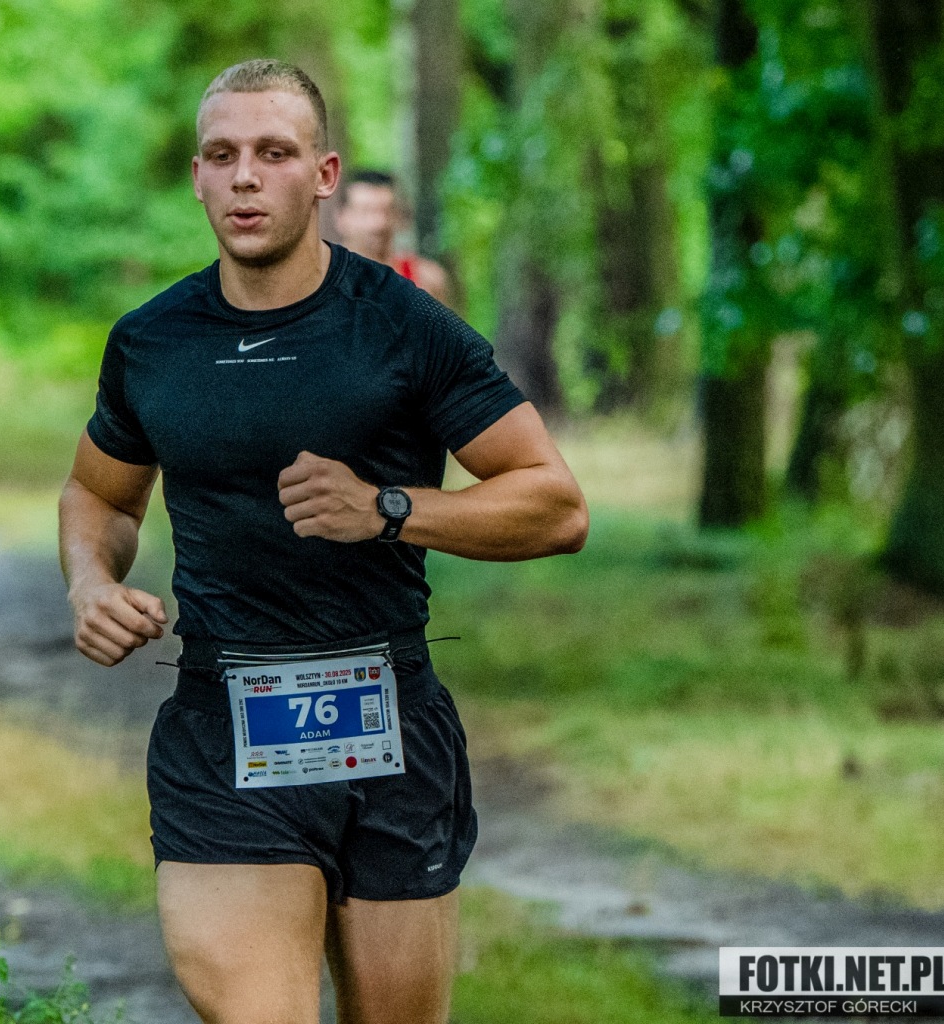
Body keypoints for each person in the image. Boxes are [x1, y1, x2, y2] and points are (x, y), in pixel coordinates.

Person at [58, 58, 587, 1024]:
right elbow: (100, 493)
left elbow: (554, 505)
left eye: (274, 153)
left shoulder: (404, 326)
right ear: (196, 176)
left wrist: (387, 507)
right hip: (224, 724)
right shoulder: (152, 340)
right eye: (222, 155)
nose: (245, 177)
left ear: (324, 174)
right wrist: (91, 582)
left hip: (388, 716)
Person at [333, 168, 454, 306]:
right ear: (341, 217)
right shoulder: (323, 282)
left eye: (387, 211)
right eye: (365, 212)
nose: (379, 224)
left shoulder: (427, 280)